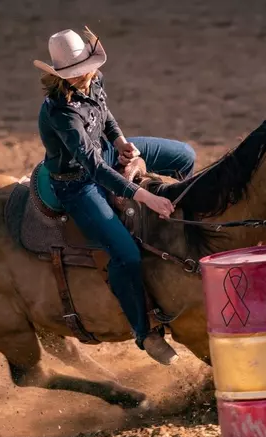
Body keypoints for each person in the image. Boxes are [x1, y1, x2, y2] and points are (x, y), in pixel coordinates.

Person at [34, 27, 196, 366]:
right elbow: (91, 167)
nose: (84, 76)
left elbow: (105, 115)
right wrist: (144, 196)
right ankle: (144, 332)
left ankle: (194, 231)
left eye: (86, 69)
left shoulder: (94, 80)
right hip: (77, 183)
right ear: (60, 76)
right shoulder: (60, 113)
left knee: (184, 156)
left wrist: (121, 142)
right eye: (76, 73)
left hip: (107, 153)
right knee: (125, 255)